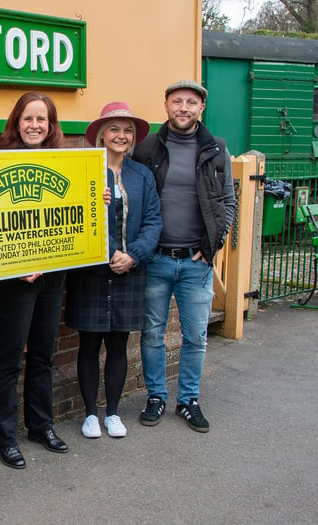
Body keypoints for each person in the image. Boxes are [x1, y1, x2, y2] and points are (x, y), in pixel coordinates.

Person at [132, 79, 236, 433]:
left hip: (197, 262)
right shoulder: (147, 148)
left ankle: (188, 399)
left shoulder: (216, 149)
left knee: (196, 336)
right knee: (152, 333)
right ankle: (156, 396)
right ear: (166, 105)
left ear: (201, 108)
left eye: (191, 102)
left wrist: (213, 247)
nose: (184, 108)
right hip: (156, 258)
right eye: (177, 101)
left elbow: (227, 202)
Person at [65, 102, 162, 439]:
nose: (121, 136)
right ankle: (90, 413)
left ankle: (113, 412)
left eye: (127, 130)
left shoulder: (142, 175)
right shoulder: (86, 172)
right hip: (93, 272)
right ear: (102, 134)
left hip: (130, 272)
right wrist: (110, 253)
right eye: (114, 129)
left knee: (119, 345)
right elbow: (79, 217)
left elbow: (153, 221)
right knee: (89, 345)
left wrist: (133, 255)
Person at [0, 92, 70, 470]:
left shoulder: (66, 163)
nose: (35, 125)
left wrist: (96, 198)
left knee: (42, 356)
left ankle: (40, 425)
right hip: (14, 281)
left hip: (52, 277)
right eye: (28, 118)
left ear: (52, 126)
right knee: (9, 359)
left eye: (43, 119)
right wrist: (16, 264)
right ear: (16, 123)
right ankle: (5, 438)